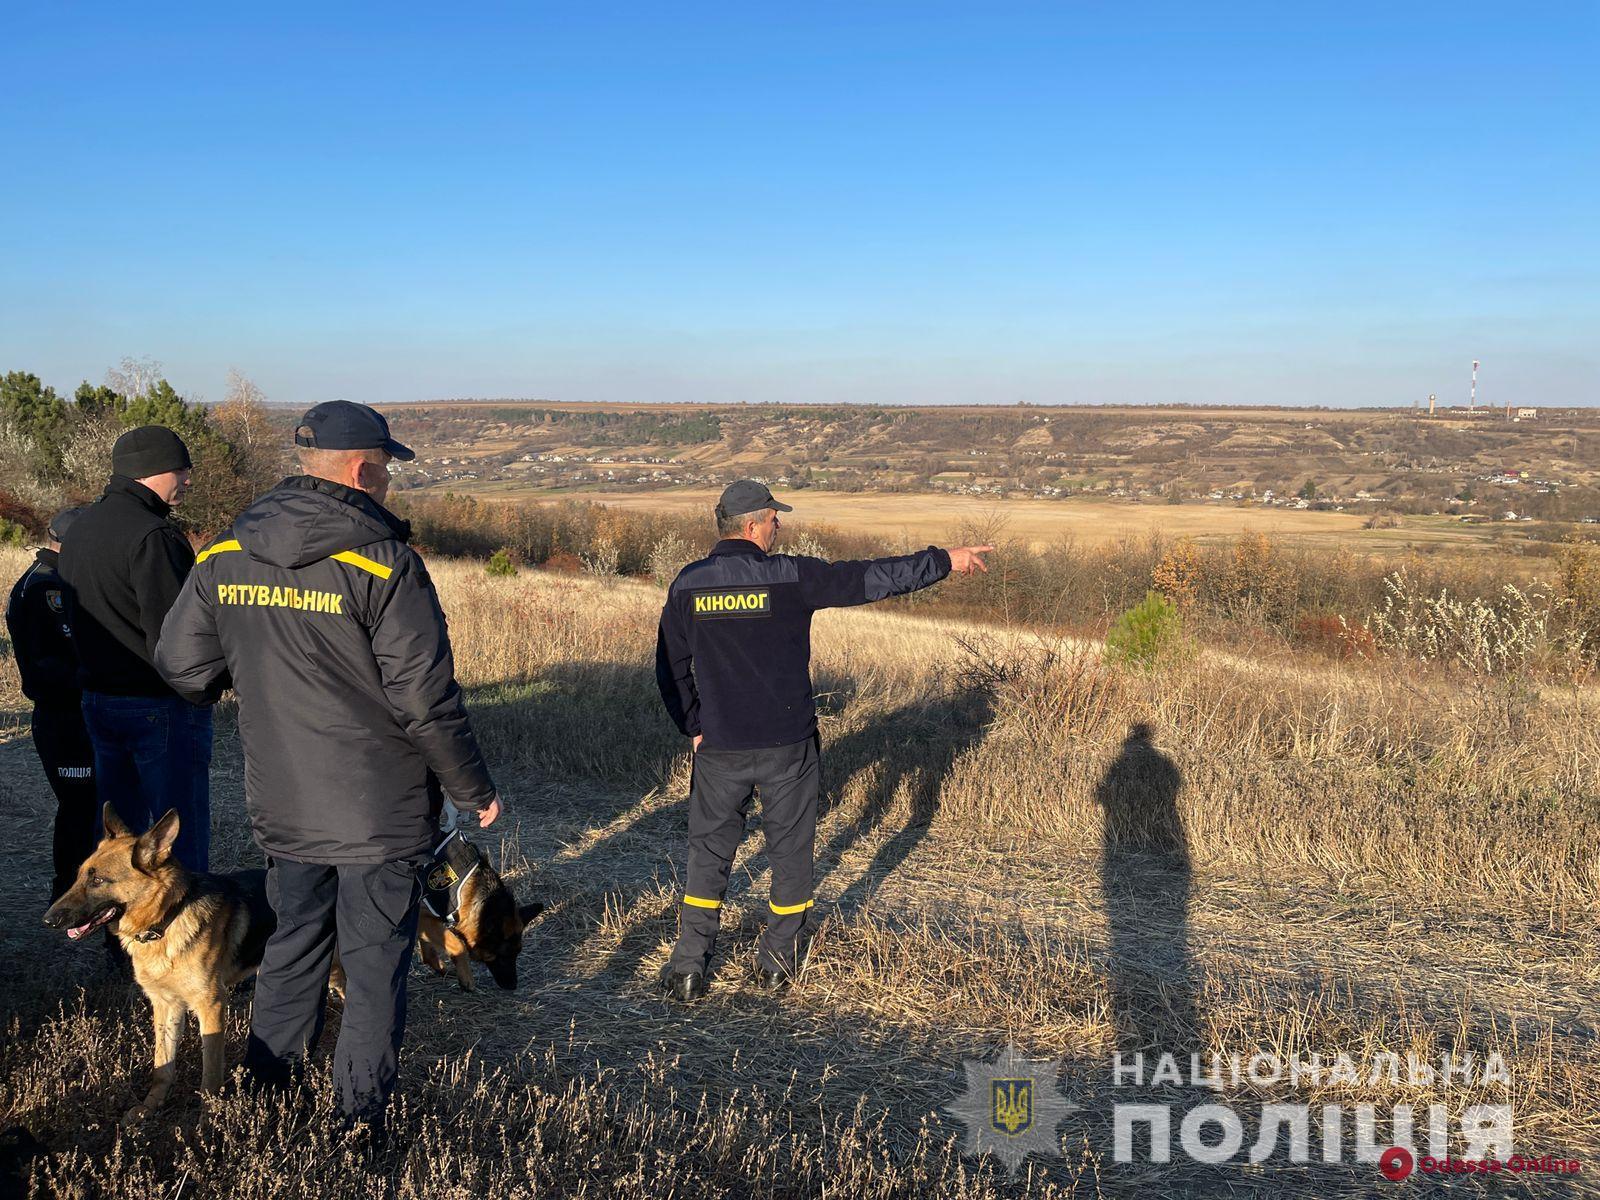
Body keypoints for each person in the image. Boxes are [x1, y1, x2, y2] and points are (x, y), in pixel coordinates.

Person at [155, 400, 502, 1127]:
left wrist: (256, 679)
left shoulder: (224, 551)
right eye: (387, 471)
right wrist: (472, 787)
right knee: (374, 972)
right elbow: (425, 699)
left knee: (292, 949)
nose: (389, 485)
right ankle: (359, 1126)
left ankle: (263, 1102)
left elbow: (182, 666)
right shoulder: (383, 562)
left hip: (283, 804)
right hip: (380, 812)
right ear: (361, 469)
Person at [653, 479, 991, 1001]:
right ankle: (774, 968)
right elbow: (871, 577)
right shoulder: (791, 576)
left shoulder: (688, 584)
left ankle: (689, 970)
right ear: (751, 525)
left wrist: (694, 727)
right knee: (790, 855)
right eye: (773, 517)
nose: (778, 524)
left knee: (708, 857)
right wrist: (945, 559)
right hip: (788, 747)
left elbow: (670, 670)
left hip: (719, 748)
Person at [60, 426, 211, 871]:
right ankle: (183, 935)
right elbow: (179, 635)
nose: (187, 479)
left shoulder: (82, 527)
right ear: (152, 471)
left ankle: (117, 934)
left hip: (99, 701)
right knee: (174, 837)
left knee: (114, 836)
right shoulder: (153, 537)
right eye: (181, 469)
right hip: (157, 706)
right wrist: (202, 689)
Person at [5, 507, 97, 900]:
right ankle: (68, 894)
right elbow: (55, 663)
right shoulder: (48, 588)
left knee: (89, 807)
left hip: (68, 714)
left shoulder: (50, 579)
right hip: (64, 718)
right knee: (81, 809)